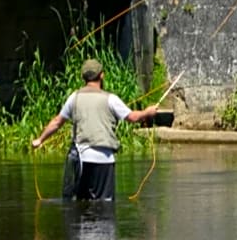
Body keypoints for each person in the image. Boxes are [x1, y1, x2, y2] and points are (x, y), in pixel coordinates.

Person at [31, 58, 158, 200]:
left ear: (82, 77)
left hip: (81, 160)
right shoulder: (111, 99)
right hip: (104, 160)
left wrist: (40, 139)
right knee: (104, 204)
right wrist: (148, 112)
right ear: (102, 75)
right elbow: (133, 117)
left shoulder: (74, 97)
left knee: (81, 204)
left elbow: (57, 122)